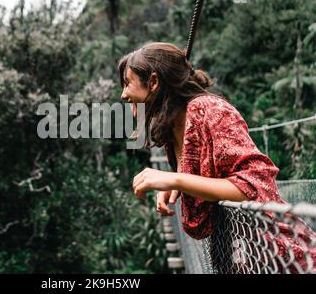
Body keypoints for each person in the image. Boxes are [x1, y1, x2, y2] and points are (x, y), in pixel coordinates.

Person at [118, 42, 315, 273]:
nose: (123, 93)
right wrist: (179, 182)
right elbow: (213, 174)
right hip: (244, 260)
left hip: (287, 260)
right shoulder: (175, 129)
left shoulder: (209, 109)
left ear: (153, 82)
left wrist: (176, 180)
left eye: (127, 83)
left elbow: (257, 187)